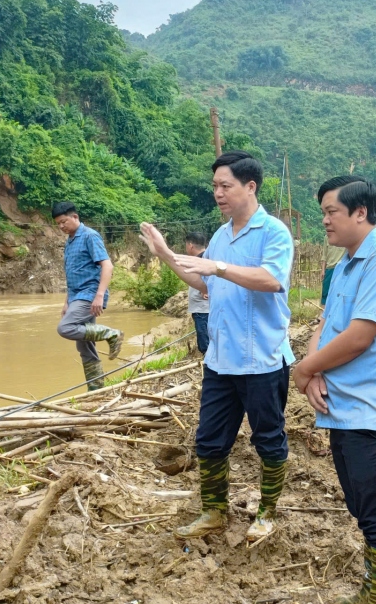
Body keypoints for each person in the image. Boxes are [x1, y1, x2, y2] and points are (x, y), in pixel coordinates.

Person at [140, 151, 295, 543]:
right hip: (222, 361)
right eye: (215, 187)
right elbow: (206, 283)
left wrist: (218, 266)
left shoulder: (273, 233)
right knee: (209, 440)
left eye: (225, 185)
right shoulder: (220, 236)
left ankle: (267, 512)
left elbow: (271, 280)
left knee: (269, 440)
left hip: (261, 359)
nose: (218, 193)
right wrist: (168, 257)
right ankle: (213, 511)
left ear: (250, 186)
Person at [294, 175, 376, 604]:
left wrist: (305, 370)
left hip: (374, 413)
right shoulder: (346, 265)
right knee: (363, 508)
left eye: (330, 212)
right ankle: (373, 592)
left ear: (360, 213)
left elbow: (361, 335)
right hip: (346, 411)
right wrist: (311, 371)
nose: (324, 220)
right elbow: (326, 324)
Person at [52, 202, 123, 390]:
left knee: (65, 327)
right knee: (85, 347)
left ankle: (112, 334)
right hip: (76, 296)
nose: (61, 227)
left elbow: (107, 266)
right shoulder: (69, 241)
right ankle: (96, 389)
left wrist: (99, 296)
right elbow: (73, 272)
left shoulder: (90, 236)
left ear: (75, 217)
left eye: (64, 222)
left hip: (89, 294)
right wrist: (67, 302)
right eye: (58, 224)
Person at [183, 231, 211, 356]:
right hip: (202, 308)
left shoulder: (202, 259)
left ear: (190, 245)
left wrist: (205, 290)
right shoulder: (207, 257)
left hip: (203, 309)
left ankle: (210, 365)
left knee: (205, 341)